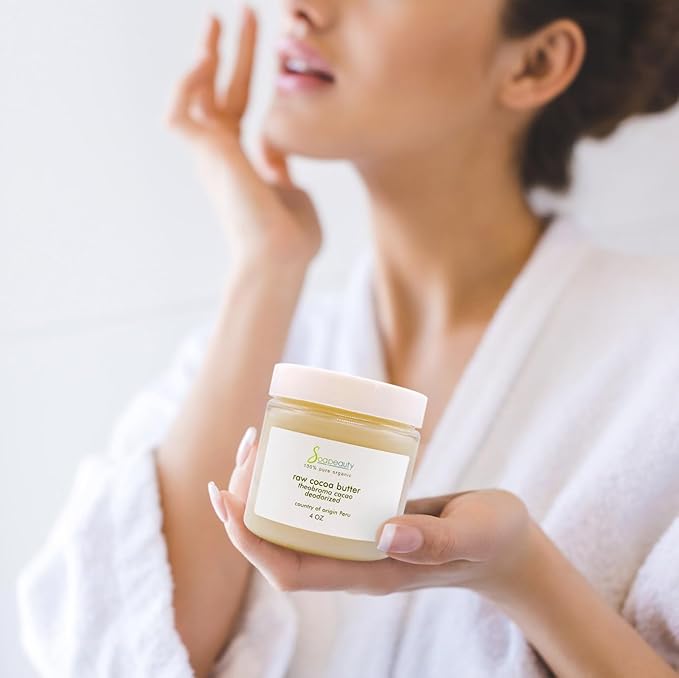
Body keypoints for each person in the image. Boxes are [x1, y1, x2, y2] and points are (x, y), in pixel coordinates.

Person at [17, 1, 679, 676]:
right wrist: (267, 266)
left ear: (534, 64)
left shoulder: (662, 359)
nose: (302, 8)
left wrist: (525, 577)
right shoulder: (258, 346)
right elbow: (106, 654)